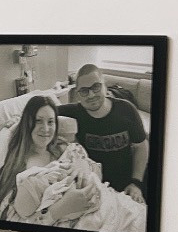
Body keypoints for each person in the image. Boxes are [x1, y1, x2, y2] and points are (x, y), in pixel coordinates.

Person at [0, 93, 145, 232]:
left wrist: (86, 167)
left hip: (108, 206)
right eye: (38, 121)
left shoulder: (62, 147)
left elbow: (97, 175)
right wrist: (56, 211)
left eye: (51, 122)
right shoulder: (19, 167)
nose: (46, 129)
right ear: (27, 123)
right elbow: (14, 223)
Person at [59, 64, 149, 205]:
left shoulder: (126, 109)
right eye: (84, 91)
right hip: (98, 187)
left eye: (96, 87)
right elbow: (44, 109)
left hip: (129, 183)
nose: (91, 95)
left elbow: (141, 146)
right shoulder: (74, 112)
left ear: (105, 86)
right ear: (77, 94)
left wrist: (136, 183)